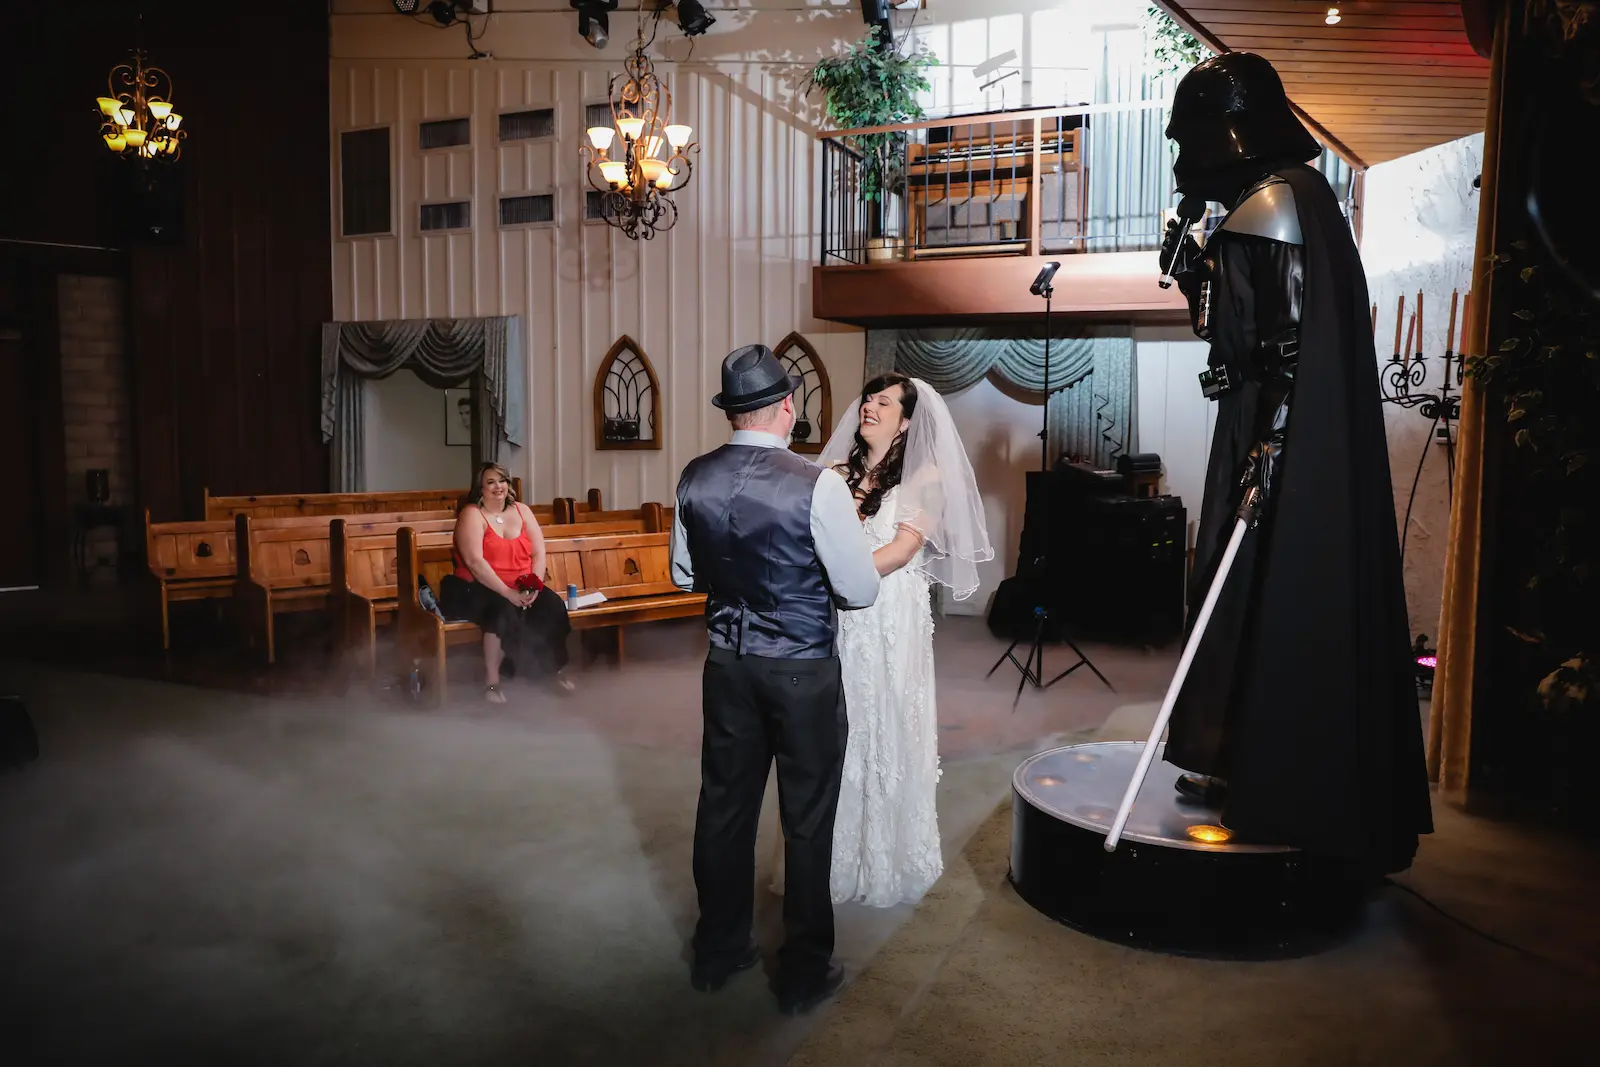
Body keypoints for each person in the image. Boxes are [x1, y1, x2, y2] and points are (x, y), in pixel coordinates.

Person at [1157, 51, 1432, 876]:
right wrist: (1196, 278)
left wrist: (1271, 444)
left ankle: (1277, 781)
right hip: (1264, 426)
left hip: (1270, 434)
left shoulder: (1274, 206)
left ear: (1225, 134)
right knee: (1242, 594)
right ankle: (1241, 761)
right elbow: (1243, 335)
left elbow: (1283, 348)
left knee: (1264, 594)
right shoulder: (1281, 206)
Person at [670, 344, 880, 1016]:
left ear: (731, 411)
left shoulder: (693, 477)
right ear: (788, 406)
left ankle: (719, 948)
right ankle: (801, 972)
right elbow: (858, 588)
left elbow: (683, 574)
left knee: (724, 806)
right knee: (807, 817)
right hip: (800, 669)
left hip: (727, 665)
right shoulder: (816, 482)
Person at [770, 373, 993, 908]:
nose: (869, 405)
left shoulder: (925, 477)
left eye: (884, 401)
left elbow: (901, 549)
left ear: (908, 419)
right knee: (835, 731)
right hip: (837, 620)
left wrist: (841, 579)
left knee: (884, 720)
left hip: (890, 614)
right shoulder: (834, 474)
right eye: (868, 397)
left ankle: (886, 858)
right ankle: (830, 859)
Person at [438, 462, 575, 702]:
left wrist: (534, 585)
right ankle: (492, 684)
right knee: (500, 610)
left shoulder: (522, 510)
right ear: (480, 488)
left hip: (521, 584)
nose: (498, 486)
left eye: (502, 480)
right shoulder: (472, 514)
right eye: (490, 482)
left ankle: (551, 671)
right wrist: (507, 592)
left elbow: (538, 552)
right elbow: (474, 562)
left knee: (552, 606)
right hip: (477, 586)